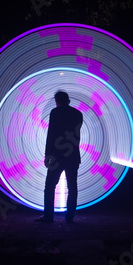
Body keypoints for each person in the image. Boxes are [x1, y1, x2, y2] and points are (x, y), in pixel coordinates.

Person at [35, 91, 83, 223]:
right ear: (68, 100)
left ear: (57, 101)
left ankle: (48, 216)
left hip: (57, 156)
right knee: (72, 186)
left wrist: (48, 154)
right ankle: (70, 216)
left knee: (50, 186)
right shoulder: (78, 114)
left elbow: (51, 134)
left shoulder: (55, 112)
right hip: (72, 155)